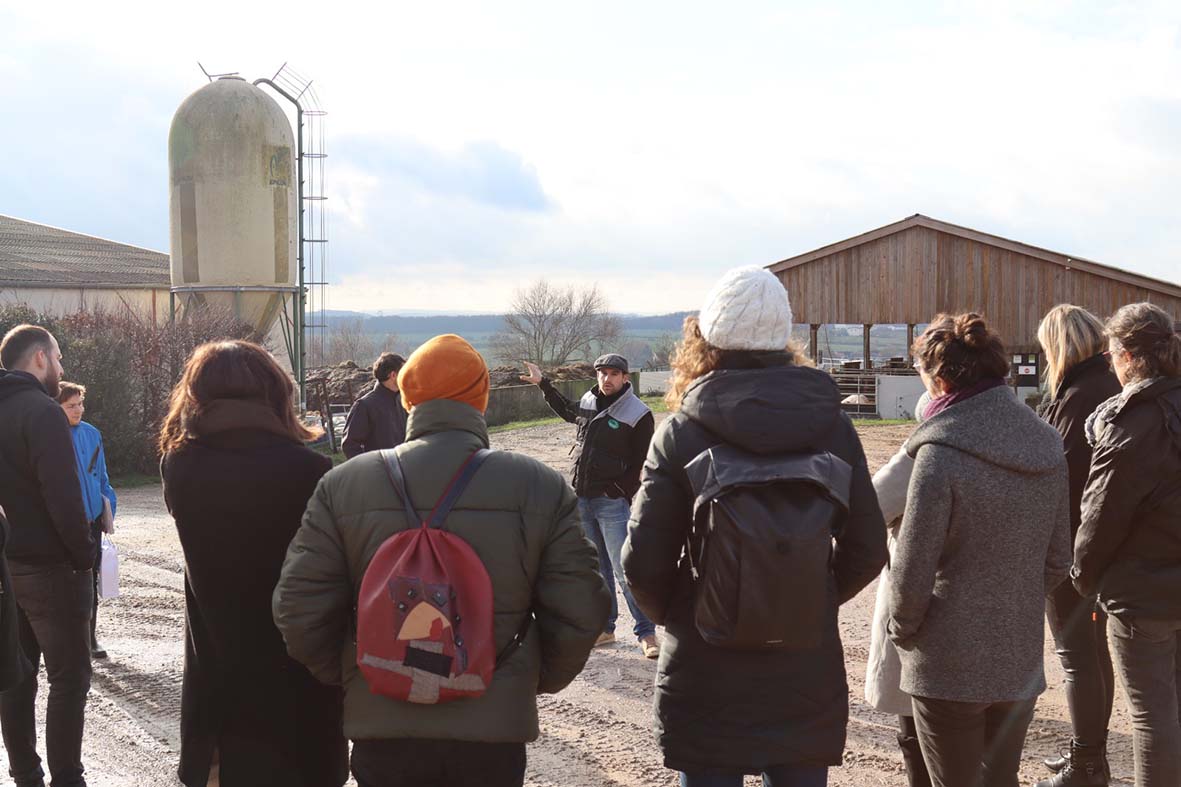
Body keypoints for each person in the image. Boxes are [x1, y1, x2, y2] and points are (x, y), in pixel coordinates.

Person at [274, 334, 611, 787]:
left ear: (408, 399)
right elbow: (582, 607)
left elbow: (298, 606)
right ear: (482, 397)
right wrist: (522, 677)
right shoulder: (537, 485)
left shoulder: (344, 485)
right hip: (492, 728)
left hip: (384, 725)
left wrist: (358, 669)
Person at [621, 266, 888, 787]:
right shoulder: (834, 427)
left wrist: (690, 609)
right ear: (782, 336)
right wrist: (805, 593)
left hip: (705, 665)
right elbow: (868, 545)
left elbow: (642, 564)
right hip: (803, 666)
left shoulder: (681, 433)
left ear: (711, 337)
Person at [888, 313, 1071, 787]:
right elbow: (1057, 560)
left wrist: (903, 630)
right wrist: (1010, 599)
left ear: (942, 378)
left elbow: (912, 569)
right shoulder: (1048, 445)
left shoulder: (938, 453)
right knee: (1000, 780)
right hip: (1016, 652)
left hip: (944, 658)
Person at [159, 340, 348, 787]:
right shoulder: (311, 471)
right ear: (275, 391)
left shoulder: (179, 468)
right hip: (300, 691)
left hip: (219, 697)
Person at [1073, 302, 1181, 787]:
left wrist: (1083, 576)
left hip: (1143, 592)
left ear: (1125, 356)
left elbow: (1100, 516)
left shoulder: (1128, 422)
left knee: (1152, 717)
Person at [0, 324, 96, 787]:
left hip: (5, 566)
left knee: (16, 677)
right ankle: (67, 780)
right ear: (39, 358)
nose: (60, 369)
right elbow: (62, 495)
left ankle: (24, 776)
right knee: (69, 678)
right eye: (57, 359)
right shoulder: (42, 411)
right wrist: (85, 555)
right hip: (49, 567)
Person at [1033, 305, 1121, 787]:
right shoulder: (1097, 386)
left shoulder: (1080, 394)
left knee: (1077, 657)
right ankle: (1090, 754)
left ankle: (1087, 764)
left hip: (1072, 550)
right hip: (1094, 546)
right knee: (1091, 653)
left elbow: (1062, 477)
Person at [521, 353, 658, 657]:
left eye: (614, 374)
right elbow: (569, 412)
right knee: (597, 569)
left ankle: (647, 633)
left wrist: (619, 491)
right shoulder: (588, 400)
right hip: (581, 498)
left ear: (625, 377)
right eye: (602, 373)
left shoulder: (638, 413)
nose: (606, 379)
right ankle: (607, 628)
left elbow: (642, 463)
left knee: (625, 569)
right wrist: (544, 384)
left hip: (611, 503)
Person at [864, 390, 933, 787]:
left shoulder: (918, 454)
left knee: (917, 719)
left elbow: (868, 509)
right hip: (997, 616)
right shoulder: (1025, 439)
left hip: (922, 609)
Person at [56, 382, 118, 660]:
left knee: (90, 579)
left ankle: (90, 637)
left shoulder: (93, 434)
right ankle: (63, 642)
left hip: (92, 520)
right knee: (61, 582)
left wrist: (108, 510)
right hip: (62, 522)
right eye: (71, 405)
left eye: (80, 404)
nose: (78, 409)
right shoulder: (50, 435)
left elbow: (102, 477)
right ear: (57, 407)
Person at [342, 352, 408, 458]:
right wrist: (371, 469)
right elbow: (350, 445)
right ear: (393, 375)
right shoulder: (365, 405)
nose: (407, 376)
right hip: (380, 471)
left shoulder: (404, 401)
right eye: (404, 372)